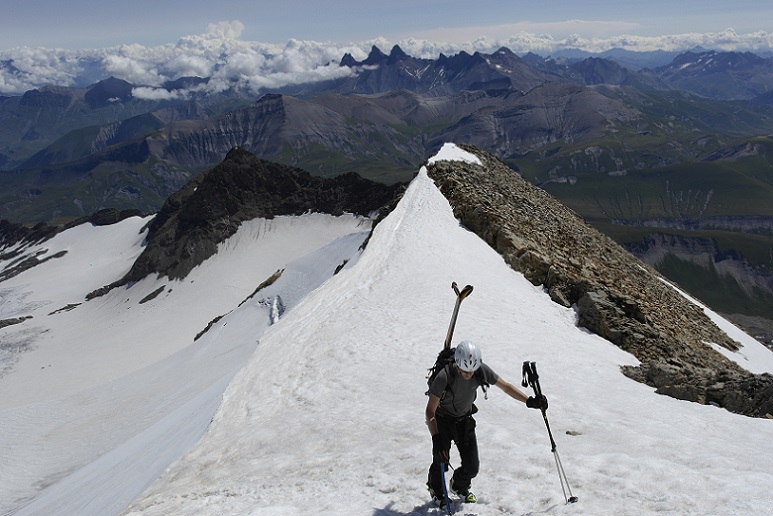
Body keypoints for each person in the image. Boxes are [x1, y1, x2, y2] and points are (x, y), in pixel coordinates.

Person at [424, 340, 547, 507]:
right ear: (457, 365)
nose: (468, 374)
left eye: (471, 371)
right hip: (442, 421)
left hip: (464, 420)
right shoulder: (445, 376)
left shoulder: (480, 370)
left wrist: (529, 401)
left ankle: (458, 486)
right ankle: (436, 489)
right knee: (441, 460)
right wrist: (436, 439)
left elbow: (506, 387)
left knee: (472, 467)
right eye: (464, 371)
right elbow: (430, 411)